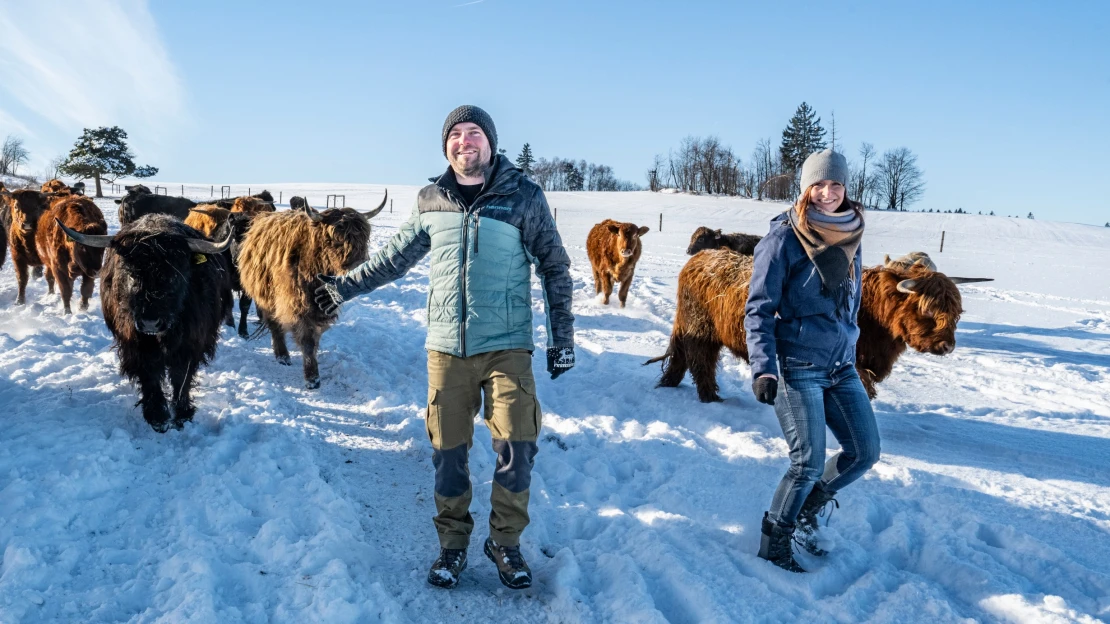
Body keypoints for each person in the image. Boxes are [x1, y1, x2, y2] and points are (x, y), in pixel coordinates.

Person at [311, 105, 575, 590]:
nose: (464, 141)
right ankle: (452, 547)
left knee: (518, 445)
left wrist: (563, 338)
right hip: (446, 350)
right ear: (446, 145)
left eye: (474, 133)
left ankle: (505, 543)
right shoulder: (432, 199)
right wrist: (342, 288)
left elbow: (555, 268)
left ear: (491, 143)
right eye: (455, 134)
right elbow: (394, 259)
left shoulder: (523, 196)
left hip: (507, 346)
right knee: (448, 452)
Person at [743, 149, 881, 572]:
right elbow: (759, 308)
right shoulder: (784, 238)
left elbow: (850, 303)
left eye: (835, 184)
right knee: (806, 464)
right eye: (817, 185)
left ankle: (804, 512)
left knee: (864, 451)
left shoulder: (853, 233)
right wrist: (764, 366)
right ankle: (775, 545)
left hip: (840, 366)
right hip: (798, 366)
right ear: (805, 189)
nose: (827, 193)